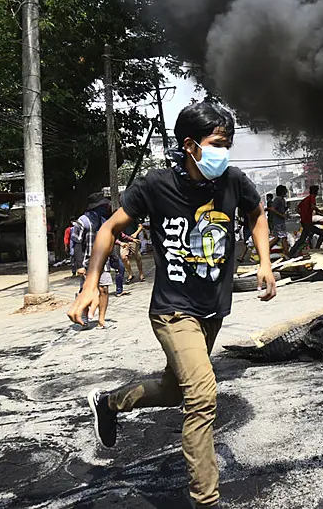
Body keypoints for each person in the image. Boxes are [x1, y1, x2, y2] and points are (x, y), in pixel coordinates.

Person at [68, 102, 276, 509]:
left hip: (212, 309)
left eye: (228, 143)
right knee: (201, 396)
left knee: (172, 388)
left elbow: (257, 215)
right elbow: (110, 228)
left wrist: (265, 261)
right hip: (172, 309)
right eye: (218, 143)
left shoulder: (233, 180)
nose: (225, 151)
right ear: (191, 146)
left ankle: (109, 404)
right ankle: (206, 500)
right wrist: (90, 284)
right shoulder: (155, 185)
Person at [72, 193, 114, 329]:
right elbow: (77, 244)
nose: (105, 208)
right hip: (87, 263)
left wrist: (114, 259)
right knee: (86, 291)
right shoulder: (82, 221)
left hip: (103, 263)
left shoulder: (103, 222)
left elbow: (108, 241)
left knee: (104, 289)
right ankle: (84, 318)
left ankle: (101, 320)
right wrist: (79, 265)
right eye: (103, 206)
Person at [290, 185, 323, 257]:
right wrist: (322, 212)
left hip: (304, 222)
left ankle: (291, 253)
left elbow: (297, 209)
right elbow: (313, 207)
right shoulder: (312, 197)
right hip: (307, 222)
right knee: (322, 233)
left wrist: (303, 214)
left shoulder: (305, 199)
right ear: (316, 192)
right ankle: (316, 250)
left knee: (302, 239)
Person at [269, 185, 290, 255]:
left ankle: (267, 249)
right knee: (283, 237)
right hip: (278, 222)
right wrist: (281, 215)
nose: (286, 192)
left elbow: (281, 210)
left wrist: (287, 207)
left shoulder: (282, 200)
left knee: (278, 237)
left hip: (280, 221)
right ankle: (286, 252)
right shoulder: (277, 199)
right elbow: (272, 209)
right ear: (282, 192)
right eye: (285, 190)